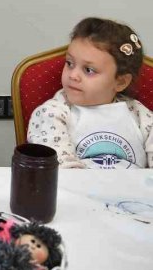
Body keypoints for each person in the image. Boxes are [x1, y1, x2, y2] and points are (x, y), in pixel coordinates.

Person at [27, 18, 152, 169]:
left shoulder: (140, 115)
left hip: (136, 191)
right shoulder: (51, 114)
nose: (73, 75)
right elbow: (60, 170)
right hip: (77, 190)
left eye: (89, 70)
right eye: (70, 63)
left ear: (120, 82)